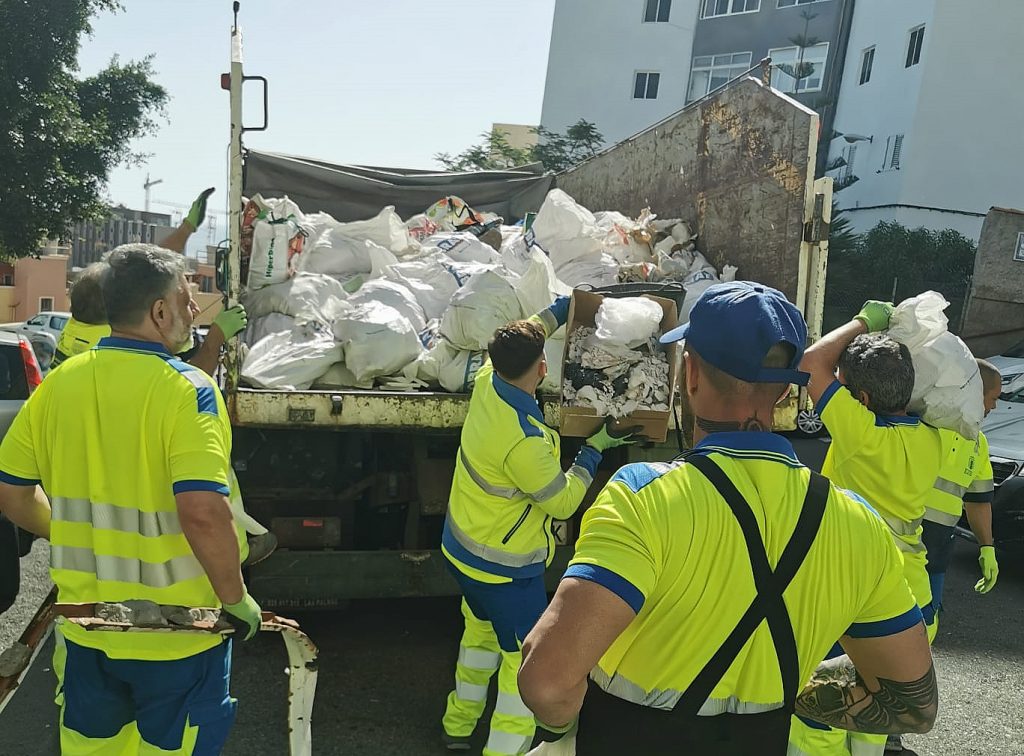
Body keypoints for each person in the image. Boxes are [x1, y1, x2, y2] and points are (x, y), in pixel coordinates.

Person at [517, 282, 937, 756]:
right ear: (783, 392)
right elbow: (912, 706)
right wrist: (789, 693)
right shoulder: (858, 524)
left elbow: (548, 684)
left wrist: (561, 731)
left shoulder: (642, 497)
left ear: (690, 375)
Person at [0, 244, 262, 754]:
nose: (192, 312)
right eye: (186, 300)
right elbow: (203, 512)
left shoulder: (58, 385)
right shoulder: (189, 391)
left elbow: (12, 492)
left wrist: (72, 532)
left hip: (85, 630)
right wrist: (236, 598)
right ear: (159, 311)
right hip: (178, 635)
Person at [441, 296, 638, 756]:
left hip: (462, 551)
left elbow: (530, 328)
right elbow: (564, 503)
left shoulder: (488, 381)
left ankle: (456, 725)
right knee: (521, 668)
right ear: (543, 368)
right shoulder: (523, 443)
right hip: (505, 570)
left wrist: (565, 306)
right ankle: (505, 748)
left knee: (478, 639)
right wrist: (596, 448)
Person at [791, 302, 946, 756]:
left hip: (848, 588)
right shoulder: (933, 440)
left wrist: (865, 321)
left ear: (859, 400)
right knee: (873, 707)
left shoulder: (860, 433)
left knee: (819, 707)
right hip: (911, 591)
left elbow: (810, 362)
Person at [54, 187, 248, 373]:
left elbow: (147, 270)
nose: (195, 310)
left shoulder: (79, 332)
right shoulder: (128, 354)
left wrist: (187, 227)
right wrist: (214, 339)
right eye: (188, 304)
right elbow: (188, 386)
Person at [921, 358, 1003, 626]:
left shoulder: (979, 443)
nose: (994, 406)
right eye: (993, 398)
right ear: (974, 391)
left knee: (924, 628)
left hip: (935, 554)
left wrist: (987, 547)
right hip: (896, 544)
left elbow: (978, 501)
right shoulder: (926, 422)